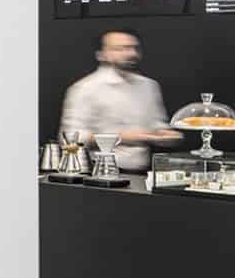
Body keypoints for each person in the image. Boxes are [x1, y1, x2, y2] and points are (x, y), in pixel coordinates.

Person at [58, 29, 180, 173]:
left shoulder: (149, 86)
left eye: (134, 48)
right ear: (101, 55)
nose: (131, 53)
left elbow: (157, 125)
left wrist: (167, 135)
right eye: (121, 49)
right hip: (100, 173)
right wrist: (122, 138)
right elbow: (70, 137)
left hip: (143, 173)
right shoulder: (85, 88)